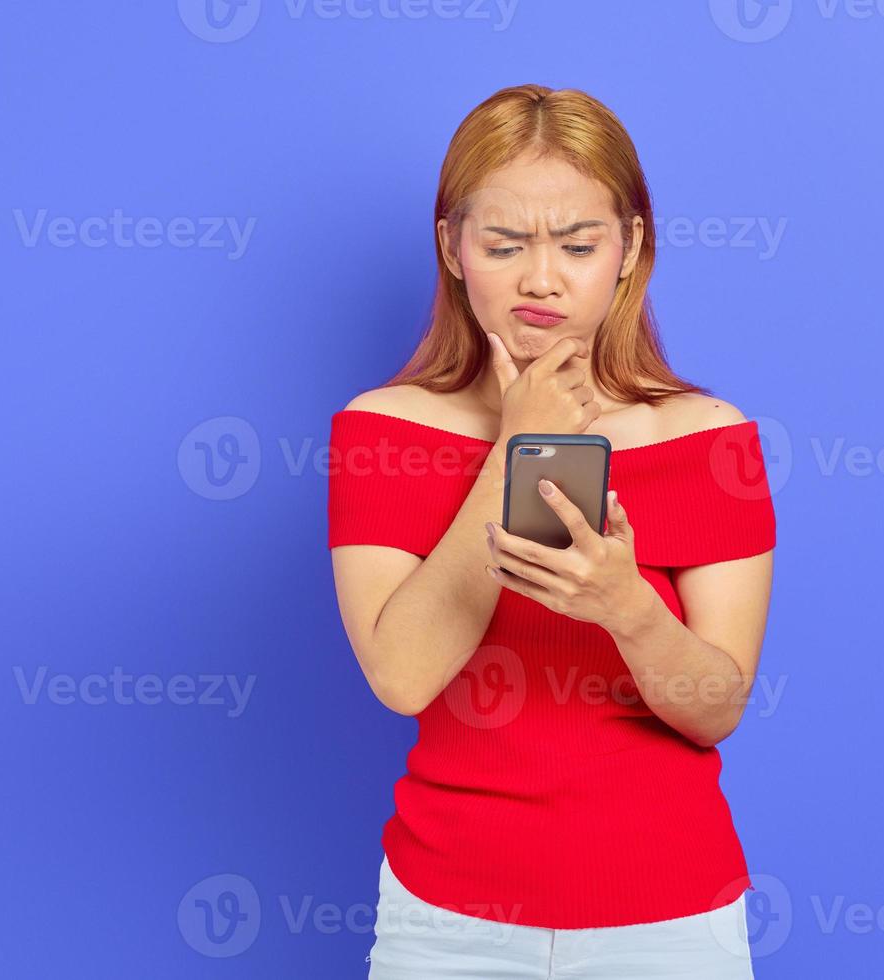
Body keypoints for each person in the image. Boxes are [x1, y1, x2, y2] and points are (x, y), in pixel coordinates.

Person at [327, 82, 777, 979]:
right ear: (452, 248)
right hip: (448, 920)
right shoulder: (382, 432)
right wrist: (521, 449)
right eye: (504, 244)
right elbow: (403, 676)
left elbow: (716, 708)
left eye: (578, 245)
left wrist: (628, 609)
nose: (542, 278)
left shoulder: (710, 441)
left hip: (668, 916)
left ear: (629, 249)